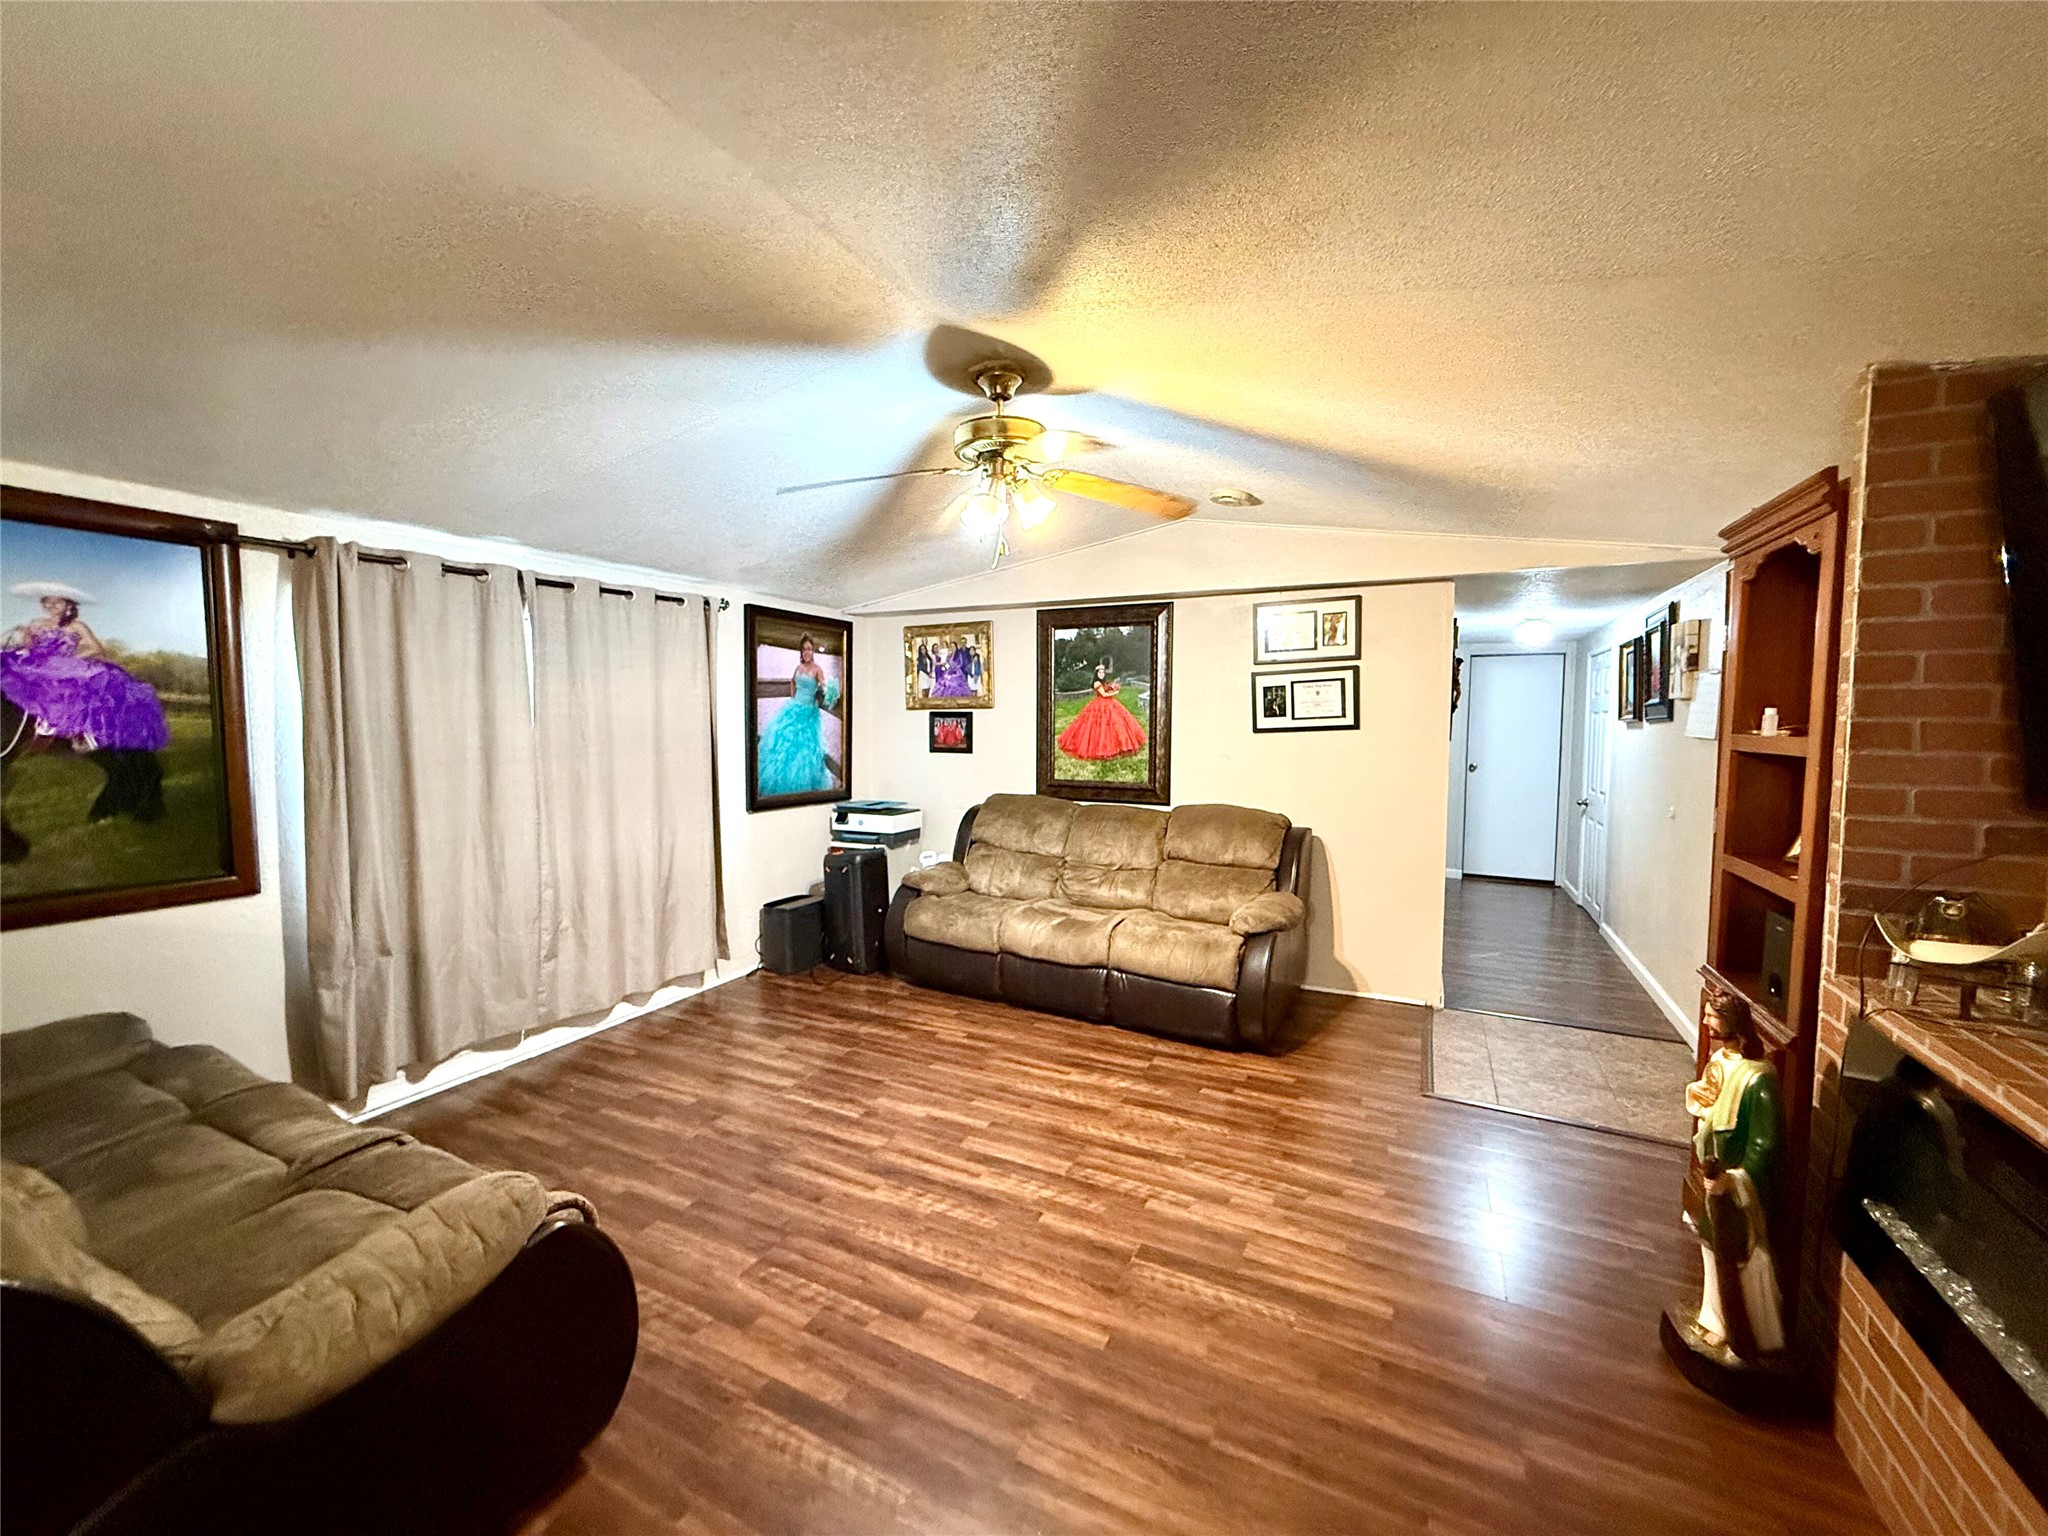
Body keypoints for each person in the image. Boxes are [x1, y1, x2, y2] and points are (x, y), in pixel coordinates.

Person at [1681, 978, 1785, 1357]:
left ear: (1733, 1023)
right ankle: (1714, 1319)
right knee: (1711, 1246)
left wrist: (1734, 1181)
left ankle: (1746, 1331)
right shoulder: (1720, 1062)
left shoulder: (1759, 1080)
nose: (1706, 1022)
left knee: (1740, 1256)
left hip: (1736, 1187)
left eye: (1712, 1016)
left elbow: (1764, 1144)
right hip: (1714, 1181)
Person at [1, 583, 169, 754]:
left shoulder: (77, 626)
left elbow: (96, 648)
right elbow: (28, 646)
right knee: (13, 675)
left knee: (70, 689)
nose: (51, 606)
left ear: (68, 605)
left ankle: (59, 726)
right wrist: (26, 635)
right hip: (37, 663)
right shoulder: (36, 623)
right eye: (47, 602)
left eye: (57, 602)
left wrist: (69, 660)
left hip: (62, 665)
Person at [756, 635, 840, 796]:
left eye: (809, 649)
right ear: (801, 652)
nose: (807, 652)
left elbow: (824, 686)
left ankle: (800, 788)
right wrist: (792, 697)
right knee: (782, 744)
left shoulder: (817, 669)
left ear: (812, 651)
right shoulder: (799, 667)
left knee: (804, 751)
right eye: (804, 649)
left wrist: (830, 691)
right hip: (793, 709)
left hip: (807, 712)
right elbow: (792, 681)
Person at [1057, 660, 1146, 761]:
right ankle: (1103, 748)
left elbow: (1107, 690)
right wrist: (1115, 693)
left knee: (1117, 723)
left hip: (1109, 703)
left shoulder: (1103, 682)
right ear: (1096, 674)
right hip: (1100, 703)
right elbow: (1103, 695)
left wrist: (1112, 688)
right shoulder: (1096, 683)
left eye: (1103, 672)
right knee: (1099, 726)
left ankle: (1119, 745)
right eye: (1099, 672)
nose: (1101, 674)